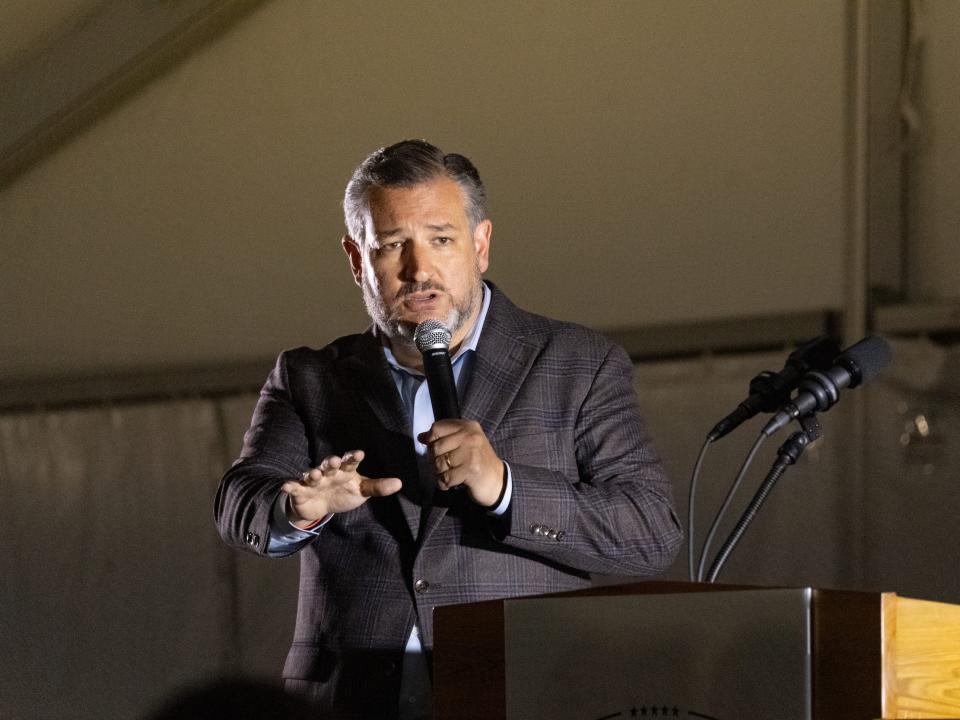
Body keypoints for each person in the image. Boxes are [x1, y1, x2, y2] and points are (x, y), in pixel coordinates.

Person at [214, 140, 682, 719]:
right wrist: (300, 507)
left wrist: (506, 487)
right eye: (391, 246)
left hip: (520, 693)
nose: (419, 271)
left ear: (480, 245)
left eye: (441, 239)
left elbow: (649, 534)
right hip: (349, 700)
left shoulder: (578, 363)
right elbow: (238, 505)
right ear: (357, 259)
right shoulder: (310, 376)